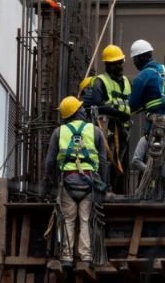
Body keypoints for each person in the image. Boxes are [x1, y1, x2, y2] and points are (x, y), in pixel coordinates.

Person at [45, 96, 107, 267]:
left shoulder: (59, 132)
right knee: (86, 219)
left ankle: (66, 257)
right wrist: (104, 184)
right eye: (81, 108)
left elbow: (50, 162)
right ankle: (86, 256)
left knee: (67, 220)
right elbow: (103, 161)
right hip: (89, 182)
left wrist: (47, 184)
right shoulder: (95, 131)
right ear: (78, 111)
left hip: (68, 181)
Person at [127, 39, 165, 191]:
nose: (135, 64)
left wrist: (143, 105)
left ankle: (158, 186)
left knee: (154, 155)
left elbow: (132, 104)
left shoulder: (142, 77)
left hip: (157, 126)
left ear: (140, 58)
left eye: (135, 60)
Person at [84, 44, 132, 194]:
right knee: (109, 160)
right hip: (108, 128)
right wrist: (116, 113)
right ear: (108, 65)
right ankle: (107, 189)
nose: (118, 66)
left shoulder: (126, 81)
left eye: (120, 62)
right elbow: (97, 106)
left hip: (124, 127)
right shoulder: (100, 82)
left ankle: (118, 191)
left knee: (121, 163)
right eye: (115, 63)